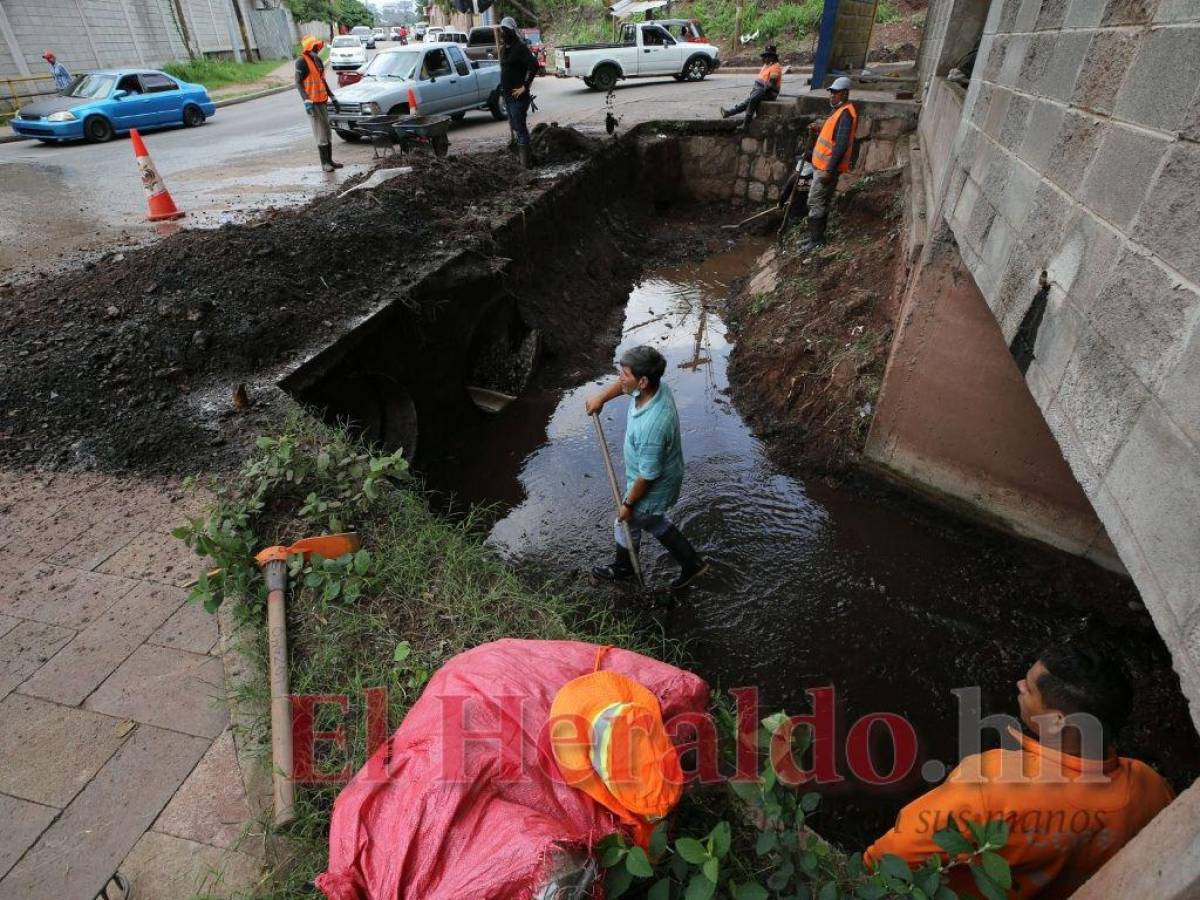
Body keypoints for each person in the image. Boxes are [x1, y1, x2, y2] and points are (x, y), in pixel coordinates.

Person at [865, 642, 1174, 898]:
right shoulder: (1151, 784)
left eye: (1028, 688)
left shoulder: (991, 781)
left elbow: (888, 860)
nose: (1019, 685)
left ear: (1055, 721)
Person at [585, 345, 708, 591]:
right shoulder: (654, 388)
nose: (620, 378)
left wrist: (628, 505)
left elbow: (648, 474)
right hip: (660, 474)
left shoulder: (653, 426)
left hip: (653, 484)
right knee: (653, 521)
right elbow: (622, 387)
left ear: (642, 381)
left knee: (625, 522)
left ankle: (624, 568)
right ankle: (693, 564)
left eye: (625, 374)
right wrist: (600, 398)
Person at [800, 75, 857, 252]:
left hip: (826, 169)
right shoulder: (839, 111)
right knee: (817, 201)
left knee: (816, 201)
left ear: (845, 93)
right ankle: (813, 238)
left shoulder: (846, 114)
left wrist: (830, 171)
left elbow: (840, 146)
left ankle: (816, 241)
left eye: (836, 93)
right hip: (821, 166)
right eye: (831, 93)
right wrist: (818, 126)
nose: (832, 96)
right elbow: (831, 131)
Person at [295, 35, 343, 173]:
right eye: (315, 46)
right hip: (312, 103)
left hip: (322, 100)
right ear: (310, 47)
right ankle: (325, 164)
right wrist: (306, 100)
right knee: (320, 132)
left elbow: (323, 81)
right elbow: (298, 83)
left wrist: (333, 98)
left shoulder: (318, 60)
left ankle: (330, 161)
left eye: (318, 46)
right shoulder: (301, 62)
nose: (318, 48)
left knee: (327, 131)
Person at [499, 16, 538, 169]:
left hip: (519, 97)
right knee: (516, 127)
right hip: (508, 97)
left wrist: (525, 86)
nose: (503, 33)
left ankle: (525, 165)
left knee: (520, 129)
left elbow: (534, 65)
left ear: (512, 32)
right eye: (502, 30)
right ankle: (529, 157)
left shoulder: (520, 48)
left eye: (506, 30)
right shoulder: (504, 49)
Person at [720, 45, 782, 124]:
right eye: (765, 56)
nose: (766, 58)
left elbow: (771, 85)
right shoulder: (767, 65)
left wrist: (758, 92)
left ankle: (746, 122)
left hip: (769, 92)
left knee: (752, 100)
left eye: (768, 56)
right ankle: (729, 113)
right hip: (760, 89)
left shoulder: (775, 67)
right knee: (748, 101)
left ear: (773, 57)